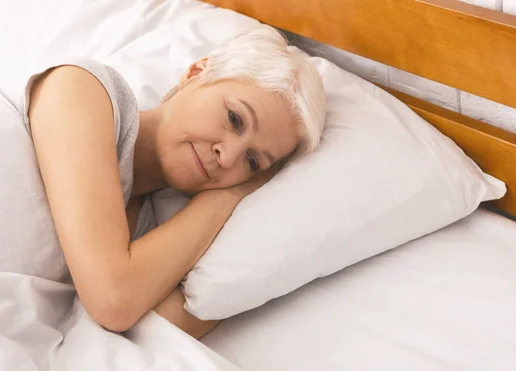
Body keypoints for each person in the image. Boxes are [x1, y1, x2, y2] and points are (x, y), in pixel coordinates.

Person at [27, 26, 326, 339]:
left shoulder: (148, 237)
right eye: (235, 119)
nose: (227, 157)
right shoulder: (80, 88)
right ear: (197, 72)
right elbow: (114, 301)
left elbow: (129, 341)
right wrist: (227, 197)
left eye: (252, 162)